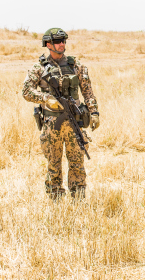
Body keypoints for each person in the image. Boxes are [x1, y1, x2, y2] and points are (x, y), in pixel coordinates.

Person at [22, 28, 100, 199]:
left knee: (77, 163)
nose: (62, 44)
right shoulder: (39, 68)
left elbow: (87, 91)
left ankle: (78, 197)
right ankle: (55, 198)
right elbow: (26, 91)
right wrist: (45, 98)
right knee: (53, 164)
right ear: (48, 44)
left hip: (74, 123)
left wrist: (94, 112)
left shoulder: (75, 65)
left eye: (63, 40)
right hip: (52, 124)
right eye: (58, 41)